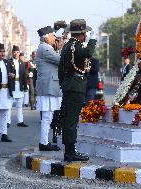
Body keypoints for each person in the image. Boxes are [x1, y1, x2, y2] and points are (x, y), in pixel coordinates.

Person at [59, 19, 97, 162]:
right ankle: (70, 152)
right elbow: (88, 53)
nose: (87, 35)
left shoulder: (69, 46)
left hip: (71, 84)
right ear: (81, 34)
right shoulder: (75, 46)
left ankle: (70, 150)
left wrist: (64, 83)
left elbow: (60, 69)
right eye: (86, 33)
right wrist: (93, 40)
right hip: (76, 86)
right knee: (72, 120)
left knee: (69, 119)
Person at [35, 26, 61, 151]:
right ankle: (43, 142)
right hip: (47, 86)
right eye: (53, 36)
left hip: (50, 85)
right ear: (46, 37)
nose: (55, 38)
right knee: (47, 116)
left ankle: (44, 141)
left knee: (48, 116)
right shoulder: (45, 48)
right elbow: (60, 60)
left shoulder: (47, 47)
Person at [7, 45, 28, 128]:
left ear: (19, 53)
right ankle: (7, 121)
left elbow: (24, 76)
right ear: (12, 53)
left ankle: (20, 121)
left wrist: (25, 86)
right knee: (9, 105)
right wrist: (9, 75)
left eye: (17, 52)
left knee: (19, 105)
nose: (16, 54)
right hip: (11, 85)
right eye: (14, 52)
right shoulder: (8, 62)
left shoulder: (22, 63)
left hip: (19, 85)